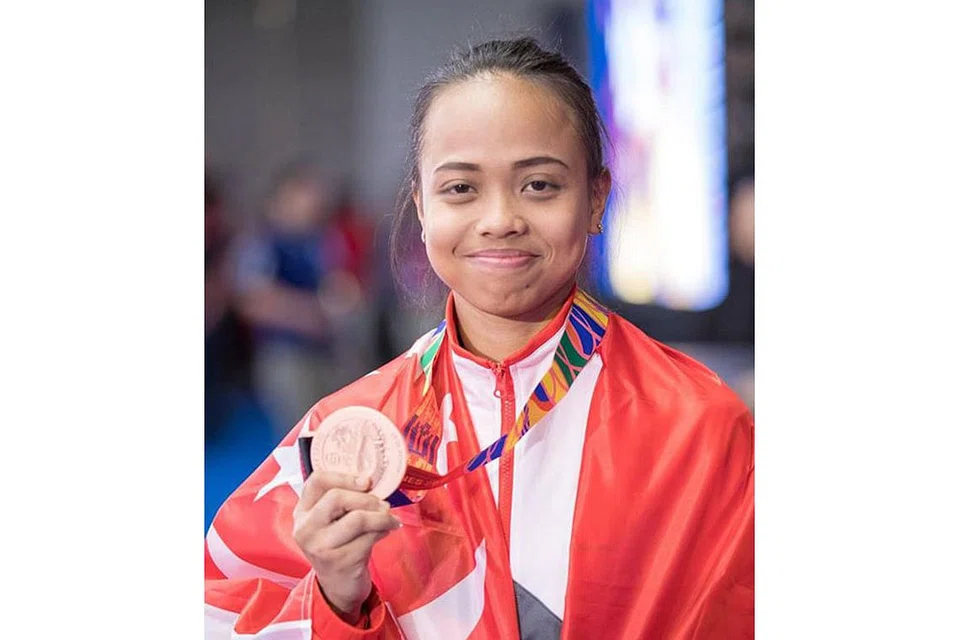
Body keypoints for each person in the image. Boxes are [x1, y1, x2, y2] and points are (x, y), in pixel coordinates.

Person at [205, 37, 754, 639]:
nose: (499, 218)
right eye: (461, 188)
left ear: (596, 199)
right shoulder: (346, 430)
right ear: (421, 207)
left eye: (539, 185)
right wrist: (338, 600)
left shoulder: (699, 424)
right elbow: (218, 606)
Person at [232, 160, 365, 439]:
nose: (312, 204)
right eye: (304, 195)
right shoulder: (263, 243)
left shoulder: (324, 239)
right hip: (285, 354)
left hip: (325, 351)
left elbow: (337, 284)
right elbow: (253, 301)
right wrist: (307, 314)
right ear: (282, 199)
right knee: (297, 434)